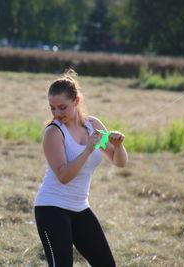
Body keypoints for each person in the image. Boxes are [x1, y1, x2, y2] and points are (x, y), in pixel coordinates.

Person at [34, 70, 128, 267]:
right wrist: (88, 150)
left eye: (62, 107)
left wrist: (118, 146)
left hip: (79, 207)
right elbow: (63, 176)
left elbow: (119, 161)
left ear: (76, 101)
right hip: (51, 208)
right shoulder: (53, 132)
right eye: (52, 109)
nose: (57, 114)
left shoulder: (93, 125)